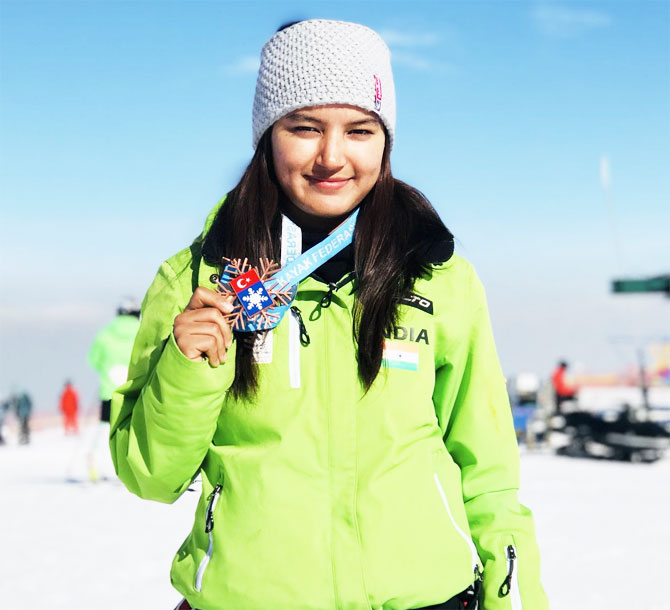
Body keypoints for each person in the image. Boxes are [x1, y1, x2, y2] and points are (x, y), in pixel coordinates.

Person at [110, 20, 548, 610]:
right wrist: (189, 367)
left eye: (359, 130)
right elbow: (151, 476)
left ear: (384, 142)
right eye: (306, 127)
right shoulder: (194, 280)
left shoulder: (440, 277)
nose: (332, 156)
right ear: (268, 135)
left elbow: (489, 474)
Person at [87, 298, 140, 480]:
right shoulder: (143, 331)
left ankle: (96, 465)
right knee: (134, 428)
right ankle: (129, 471)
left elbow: (93, 360)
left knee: (105, 428)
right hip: (134, 390)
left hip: (109, 390)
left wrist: (105, 369)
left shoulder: (105, 334)